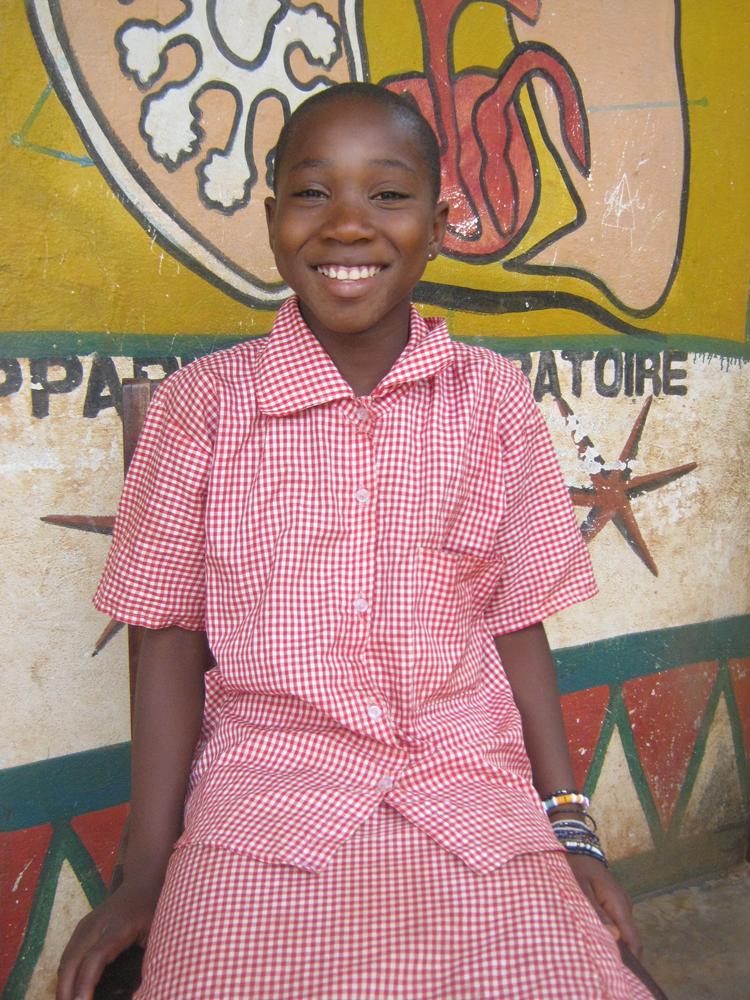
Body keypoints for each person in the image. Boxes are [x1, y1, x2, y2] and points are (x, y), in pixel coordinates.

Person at [57, 82, 661, 999]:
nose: (347, 224)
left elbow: (517, 623)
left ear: (439, 224)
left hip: (474, 800)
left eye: (388, 194)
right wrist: (146, 873)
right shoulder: (203, 407)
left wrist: (571, 831)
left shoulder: (494, 401)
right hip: (262, 809)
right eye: (312, 193)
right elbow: (168, 634)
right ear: (272, 222)